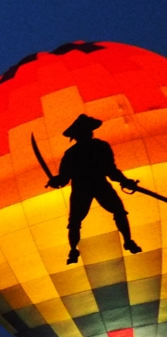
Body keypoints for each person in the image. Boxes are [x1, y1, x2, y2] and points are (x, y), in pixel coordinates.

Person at [47, 113, 142, 264]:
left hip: (89, 187)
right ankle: (74, 250)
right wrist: (56, 181)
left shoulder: (81, 151)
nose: (89, 133)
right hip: (89, 187)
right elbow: (65, 177)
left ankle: (127, 241)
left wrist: (124, 181)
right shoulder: (94, 148)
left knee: (114, 212)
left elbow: (109, 170)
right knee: (77, 221)